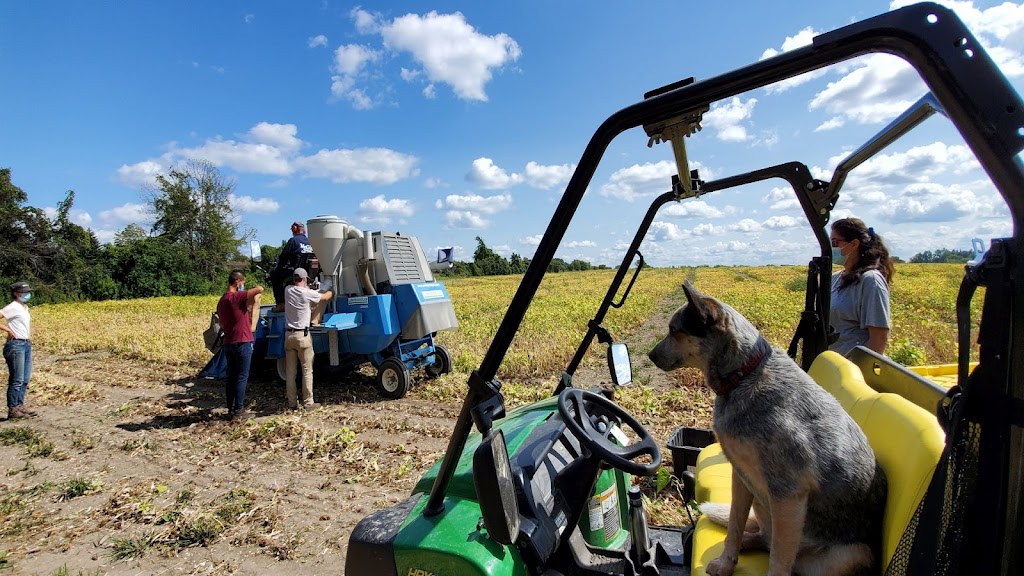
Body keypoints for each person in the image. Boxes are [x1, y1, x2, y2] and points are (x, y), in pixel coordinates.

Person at [828, 217, 894, 357]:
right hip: (834, 366)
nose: (831, 247)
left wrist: (861, 371)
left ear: (854, 244)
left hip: (854, 370)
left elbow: (879, 336)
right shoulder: (836, 278)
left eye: (835, 242)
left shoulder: (871, 280)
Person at [216, 270, 264, 422]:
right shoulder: (236, 297)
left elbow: (222, 323)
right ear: (238, 282)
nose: (243, 285)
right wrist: (254, 287)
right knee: (242, 377)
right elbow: (260, 289)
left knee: (231, 376)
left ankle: (230, 408)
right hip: (242, 341)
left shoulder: (222, 301)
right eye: (242, 282)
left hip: (229, 342)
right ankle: (239, 410)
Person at [283, 267, 333, 411]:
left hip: (289, 335)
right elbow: (325, 297)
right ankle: (308, 403)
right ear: (304, 279)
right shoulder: (306, 293)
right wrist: (331, 290)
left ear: (294, 279)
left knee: (291, 373)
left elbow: (299, 289)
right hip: (302, 336)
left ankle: (292, 403)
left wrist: (308, 288)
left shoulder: (288, 290)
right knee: (306, 370)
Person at [2, 282, 35, 420]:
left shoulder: (24, 307)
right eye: (24, 292)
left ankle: (20, 406)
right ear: (16, 293)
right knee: (17, 379)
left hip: (25, 344)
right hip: (16, 345)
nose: (27, 294)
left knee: (25, 379)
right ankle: (13, 409)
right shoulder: (13, 307)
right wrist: (8, 329)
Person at [271, 221, 314, 312]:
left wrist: (278, 268)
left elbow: (283, 258)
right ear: (304, 230)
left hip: (295, 272)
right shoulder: (310, 242)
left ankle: (281, 304)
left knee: (274, 274)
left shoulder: (293, 241)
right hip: (309, 273)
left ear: (294, 229)